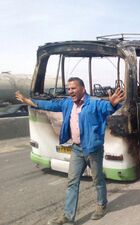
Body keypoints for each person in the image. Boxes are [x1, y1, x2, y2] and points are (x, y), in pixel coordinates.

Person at [16, 77, 125, 225]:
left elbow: (107, 107)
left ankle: (101, 204)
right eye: (69, 88)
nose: (70, 91)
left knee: (97, 179)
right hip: (77, 149)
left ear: (82, 89)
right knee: (72, 182)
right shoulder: (67, 103)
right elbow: (47, 105)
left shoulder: (93, 103)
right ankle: (68, 217)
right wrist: (26, 100)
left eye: (73, 88)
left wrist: (112, 103)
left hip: (93, 150)